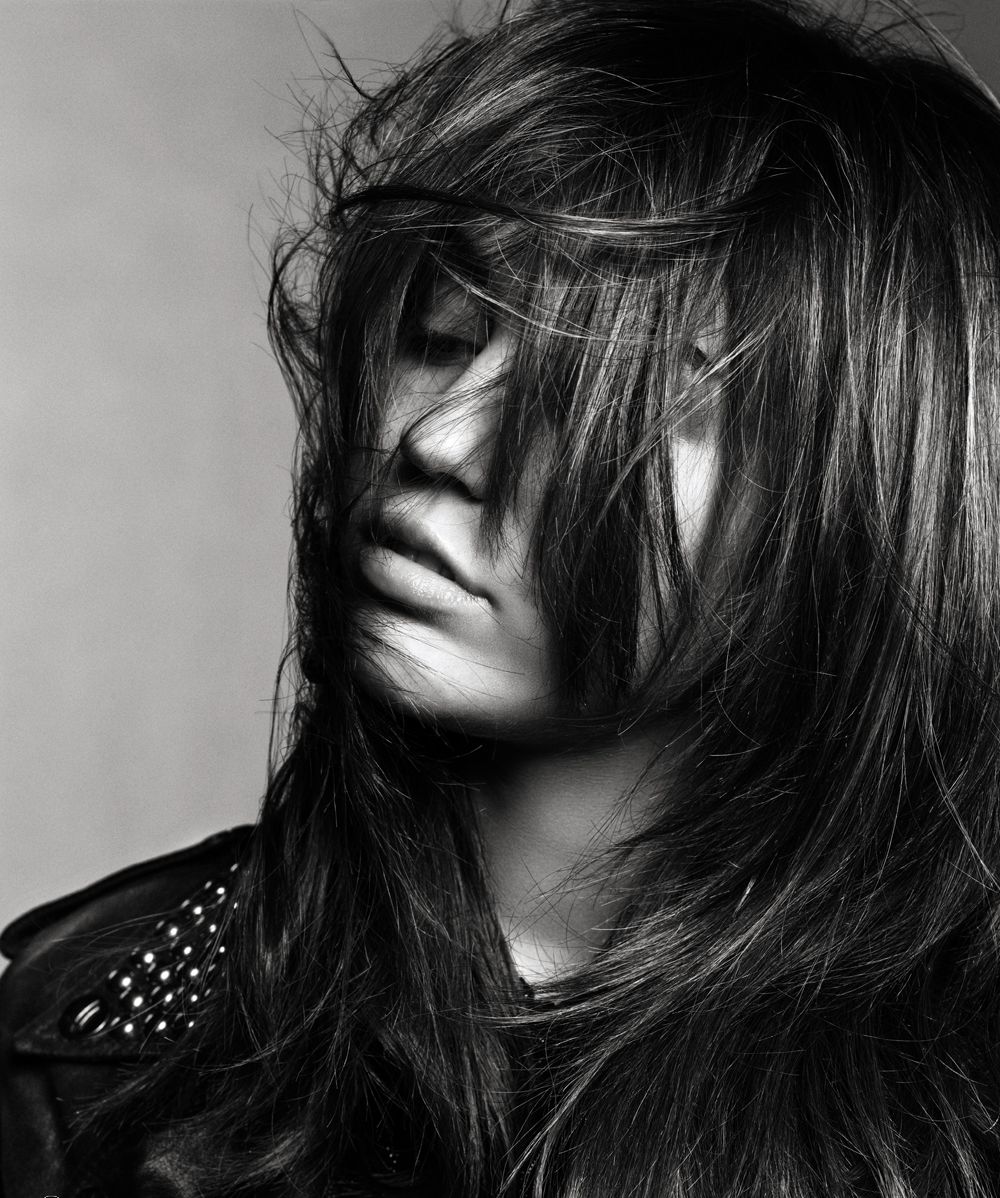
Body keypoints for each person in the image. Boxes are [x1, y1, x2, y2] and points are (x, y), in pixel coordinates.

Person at [5, 0, 1000, 1193]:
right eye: (445, 330)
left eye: (637, 391)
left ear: (869, 497)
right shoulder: (96, 1024)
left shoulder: (960, 1098)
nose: (439, 441)